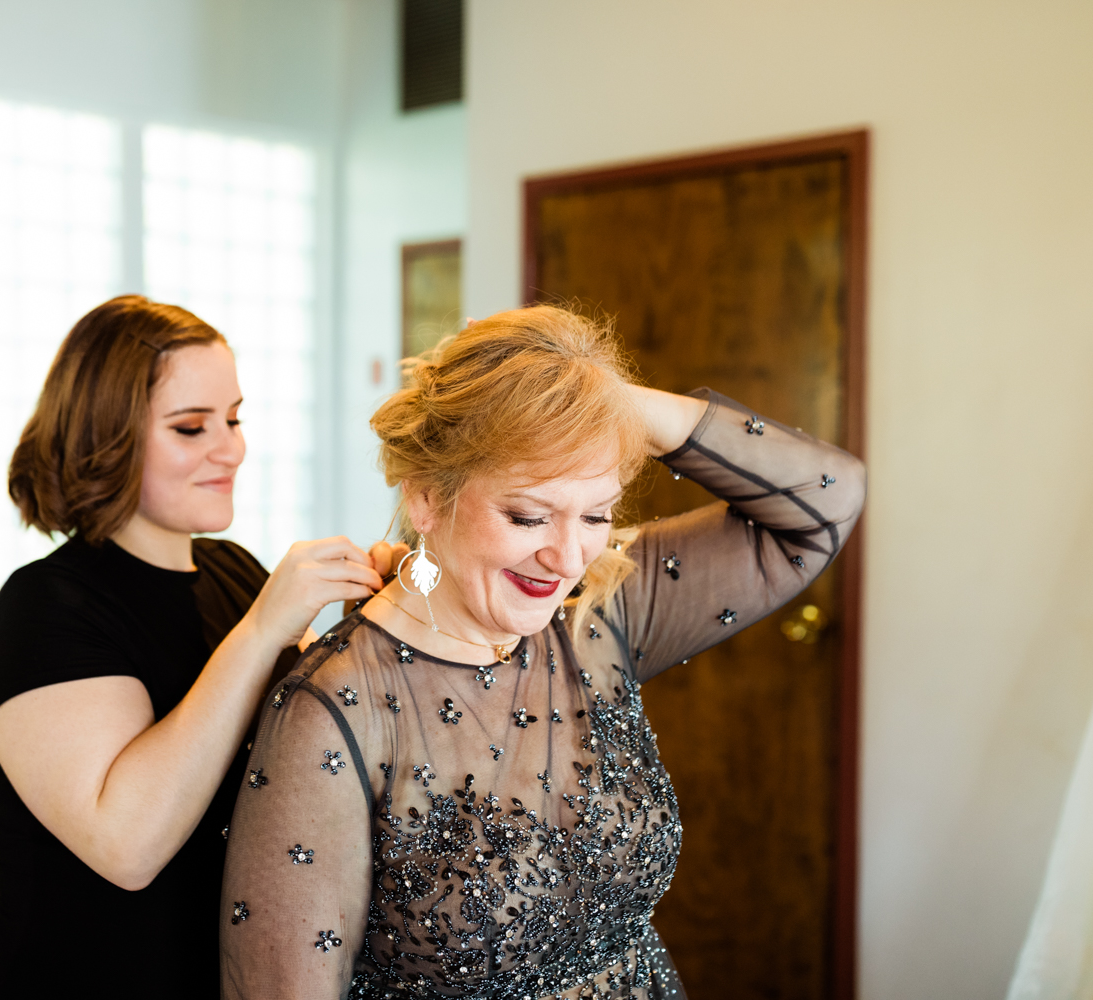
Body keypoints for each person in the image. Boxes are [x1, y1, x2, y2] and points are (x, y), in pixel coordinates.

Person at [218, 305, 867, 999]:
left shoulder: (598, 607)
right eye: (527, 516)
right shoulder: (335, 709)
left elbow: (825, 502)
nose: (565, 557)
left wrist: (602, 398)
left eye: (596, 515)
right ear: (428, 498)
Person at [0, 296, 399, 998]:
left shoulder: (235, 571)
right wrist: (260, 632)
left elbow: (316, 751)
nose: (232, 448)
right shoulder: (45, 607)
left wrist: (373, 627)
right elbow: (128, 846)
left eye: (234, 418)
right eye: (192, 427)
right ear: (107, 436)